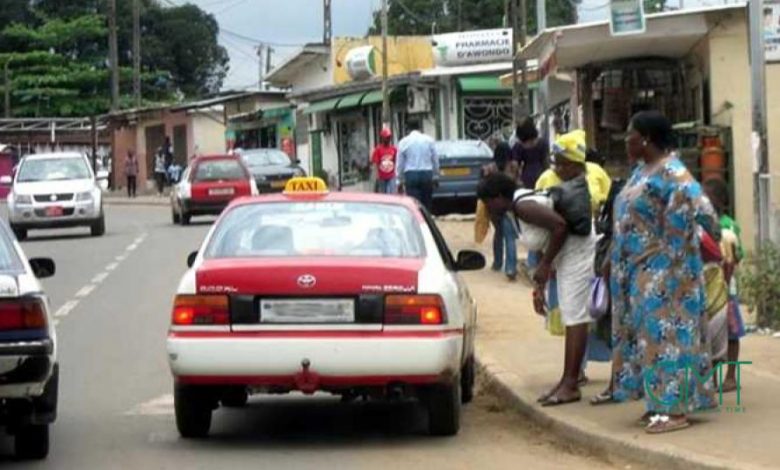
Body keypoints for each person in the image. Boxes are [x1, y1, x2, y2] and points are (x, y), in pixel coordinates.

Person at [610, 111, 719, 434]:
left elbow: (703, 211)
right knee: (649, 340)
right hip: (639, 271)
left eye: (630, 135)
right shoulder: (641, 171)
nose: (626, 141)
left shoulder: (673, 171)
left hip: (666, 273)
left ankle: (674, 410)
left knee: (668, 338)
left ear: (646, 138)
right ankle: (658, 403)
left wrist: (672, 245)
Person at [478, 131, 596, 407]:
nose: (488, 209)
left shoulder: (522, 206)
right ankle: (568, 380)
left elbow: (559, 226)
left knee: (575, 316)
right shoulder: (518, 205)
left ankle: (570, 384)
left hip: (578, 251)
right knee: (570, 314)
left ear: (498, 197)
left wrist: (544, 266)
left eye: (488, 203)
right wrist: (542, 280)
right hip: (566, 255)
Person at [704, 178, 745, 393]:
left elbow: (737, 256)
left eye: (709, 199)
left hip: (727, 289)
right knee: (712, 333)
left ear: (720, 202)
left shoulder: (728, 226)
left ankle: (730, 376)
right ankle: (710, 376)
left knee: (731, 333)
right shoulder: (703, 224)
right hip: (710, 287)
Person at [484, 142, 519, 280]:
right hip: (509, 205)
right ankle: (511, 267)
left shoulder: (489, 168)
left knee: (498, 233)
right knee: (510, 236)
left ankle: (497, 263)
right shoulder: (513, 167)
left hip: (493, 206)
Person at [397, 121, 439, 210]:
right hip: (426, 174)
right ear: (420, 128)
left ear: (408, 129)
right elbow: (435, 160)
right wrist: (436, 176)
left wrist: (399, 180)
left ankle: (417, 221)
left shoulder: (403, 142)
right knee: (426, 203)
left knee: (414, 204)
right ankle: (426, 220)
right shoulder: (429, 140)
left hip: (411, 175)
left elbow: (400, 164)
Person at [512, 118, 548, 189]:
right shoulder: (542, 143)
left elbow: (515, 165)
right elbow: (546, 161)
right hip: (541, 172)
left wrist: (516, 178)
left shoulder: (519, 146)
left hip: (527, 175)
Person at [371, 127, 398, 194]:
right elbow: (375, 164)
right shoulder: (378, 149)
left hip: (391, 176)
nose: (388, 139)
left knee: (392, 194)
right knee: (383, 195)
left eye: (389, 137)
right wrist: (377, 177)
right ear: (382, 138)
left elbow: (397, 162)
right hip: (381, 177)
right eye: (386, 137)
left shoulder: (394, 149)